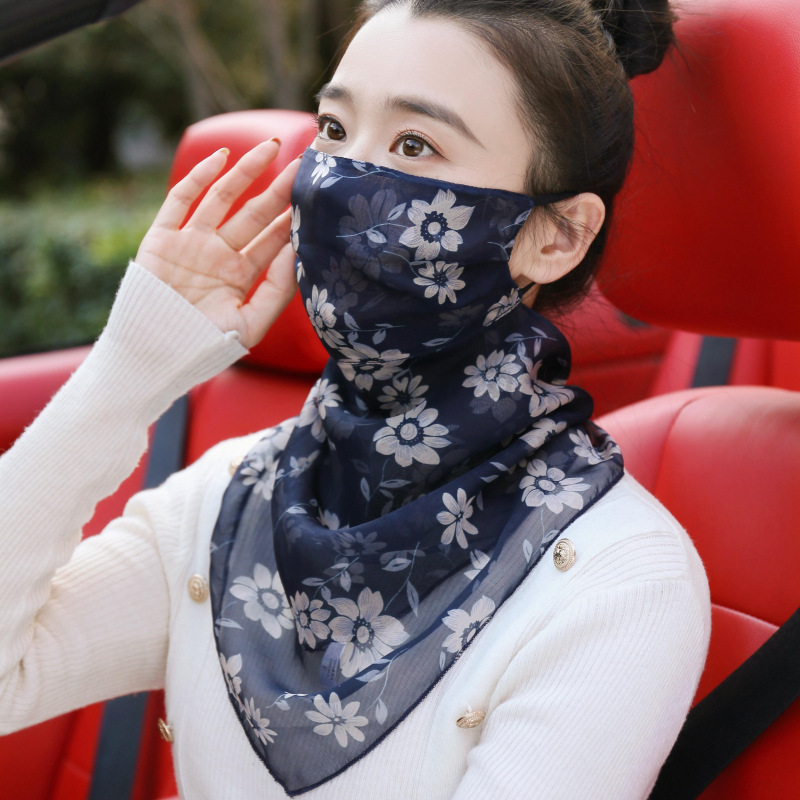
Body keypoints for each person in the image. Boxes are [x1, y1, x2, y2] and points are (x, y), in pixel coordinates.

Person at [0, 1, 711, 798]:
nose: (338, 183)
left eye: (414, 144)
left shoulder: (617, 580)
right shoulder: (233, 495)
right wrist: (133, 365)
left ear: (557, 235)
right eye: (334, 130)